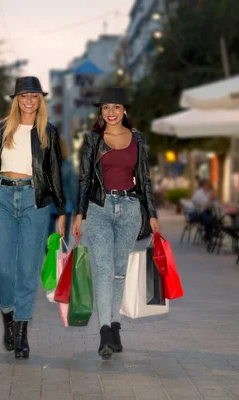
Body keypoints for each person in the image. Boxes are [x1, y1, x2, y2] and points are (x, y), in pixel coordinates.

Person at [0, 76, 66, 359]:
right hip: (1, 198)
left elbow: (55, 174)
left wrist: (61, 211)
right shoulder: (1, 129)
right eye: (24, 96)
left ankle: (21, 333)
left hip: (34, 201)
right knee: (4, 267)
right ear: (16, 99)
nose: (29, 100)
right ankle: (8, 318)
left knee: (27, 268)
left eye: (34, 96)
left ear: (40, 100)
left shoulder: (48, 131)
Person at [72, 87, 159, 360]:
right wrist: (79, 213)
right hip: (99, 209)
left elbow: (144, 179)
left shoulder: (138, 139)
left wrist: (152, 214)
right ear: (101, 111)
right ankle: (104, 331)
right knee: (104, 268)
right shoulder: (92, 140)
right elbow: (85, 179)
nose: (111, 112)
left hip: (130, 209)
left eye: (116, 107)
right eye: (106, 107)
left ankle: (115, 326)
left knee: (120, 270)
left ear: (125, 111)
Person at [49, 139, 77, 244]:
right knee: (64, 237)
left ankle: (50, 258)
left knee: (49, 236)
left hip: (51, 205)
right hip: (66, 206)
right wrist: (75, 208)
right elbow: (73, 187)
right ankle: (64, 258)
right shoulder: (68, 166)